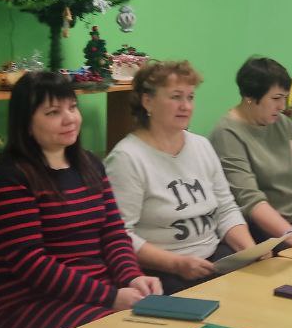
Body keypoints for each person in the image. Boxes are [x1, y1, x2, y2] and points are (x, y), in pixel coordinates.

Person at [0, 71, 160, 328]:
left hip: (96, 296)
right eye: (53, 112)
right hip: (28, 309)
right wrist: (111, 297)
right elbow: (32, 264)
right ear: (26, 123)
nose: (70, 119)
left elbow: (113, 233)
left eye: (72, 107)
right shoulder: (8, 178)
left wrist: (132, 277)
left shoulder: (90, 164)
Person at [105, 60, 256, 295]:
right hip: (161, 273)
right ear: (147, 101)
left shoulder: (202, 146)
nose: (185, 106)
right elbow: (120, 236)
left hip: (213, 260)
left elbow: (226, 209)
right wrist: (176, 264)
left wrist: (251, 252)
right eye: (176, 97)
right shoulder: (127, 158)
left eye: (190, 97)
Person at [208, 56, 292, 254]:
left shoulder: (283, 124)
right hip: (266, 231)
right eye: (276, 98)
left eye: (284, 97)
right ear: (250, 97)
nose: (282, 106)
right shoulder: (227, 133)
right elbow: (250, 200)